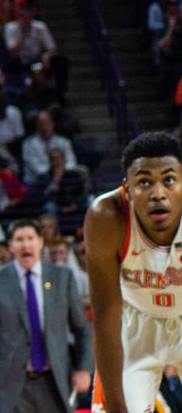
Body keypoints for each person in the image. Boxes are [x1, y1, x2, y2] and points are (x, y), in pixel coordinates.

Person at [85, 132, 182, 413]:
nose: (158, 193)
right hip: (135, 322)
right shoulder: (106, 217)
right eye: (144, 182)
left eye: (169, 180)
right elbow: (105, 316)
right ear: (127, 191)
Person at [0, 220, 92, 413]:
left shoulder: (62, 277)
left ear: (40, 242)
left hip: (54, 381)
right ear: (11, 246)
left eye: (30, 238)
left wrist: (83, 369)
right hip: (10, 383)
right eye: (19, 240)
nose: (25, 245)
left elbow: (82, 329)